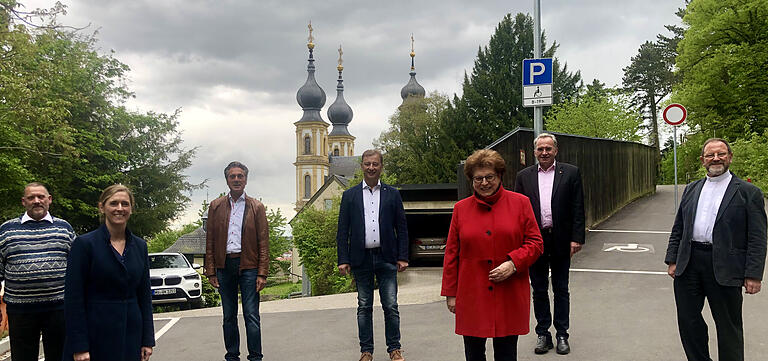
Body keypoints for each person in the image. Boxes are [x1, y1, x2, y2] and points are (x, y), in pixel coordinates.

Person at [665, 138, 767, 361]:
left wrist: (753, 274)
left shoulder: (748, 192)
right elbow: (679, 227)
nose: (716, 159)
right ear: (703, 160)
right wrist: (672, 259)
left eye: (721, 154)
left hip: (726, 266)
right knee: (688, 321)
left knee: (728, 326)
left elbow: (758, 237)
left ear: (730, 157)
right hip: (689, 263)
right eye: (710, 155)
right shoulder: (692, 189)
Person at [441, 149, 543, 361]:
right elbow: (452, 252)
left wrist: (513, 263)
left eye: (490, 177)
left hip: (509, 291)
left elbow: (535, 243)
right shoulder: (460, 209)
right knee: (473, 353)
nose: (485, 183)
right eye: (478, 178)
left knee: (506, 353)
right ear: (471, 179)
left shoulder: (521, 203)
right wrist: (451, 293)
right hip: (472, 294)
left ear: (500, 176)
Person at [63, 184, 154, 361]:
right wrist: (79, 345)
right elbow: (73, 299)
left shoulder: (140, 246)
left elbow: (144, 295)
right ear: (102, 207)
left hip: (131, 335)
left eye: (125, 204)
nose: (120, 208)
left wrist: (147, 339)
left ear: (131, 209)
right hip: (95, 336)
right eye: (114, 203)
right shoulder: (84, 245)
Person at [514, 133, 585, 355]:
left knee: (561, 289)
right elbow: (517, 213)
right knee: (539, 289)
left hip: (561, 239)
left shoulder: (571, 172)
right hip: (535, 241)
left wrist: (577, 238)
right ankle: (543, 334)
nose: (544, 152)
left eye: (548, 148)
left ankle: (562, 334)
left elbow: (578, 207)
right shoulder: (523, 177)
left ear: (556, 150)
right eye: (540, 149)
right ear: (534, 152)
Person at [336, 149, 409, 361]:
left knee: (391, 306)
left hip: (387, 257)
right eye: (367, 164)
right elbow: (343, 231)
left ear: (381, 167)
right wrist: (343, 259)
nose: (371, 167)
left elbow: (402, 228)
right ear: (362, 166)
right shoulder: (349, 196)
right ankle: (366, 351)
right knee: (364, 306)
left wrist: (402, 256)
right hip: (361, 259)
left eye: (375, 164)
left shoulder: (392, 194)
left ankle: (394, 349)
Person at [0, 183, 75, 361]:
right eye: (31, 197)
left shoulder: (64, 228)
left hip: (59, 309)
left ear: (49, 200)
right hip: (20, 311)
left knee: (61, 357)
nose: (36, 201)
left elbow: (77, 269)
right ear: (23, 202)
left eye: (41, 197)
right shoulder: (6, 231)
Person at [205, 161, 270, 361]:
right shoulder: (215, 206)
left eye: (240, 176)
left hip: (249, 266)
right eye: (232, 176)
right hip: (224, 266)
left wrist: (262, 272)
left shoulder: (256, 207)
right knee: (228, 316)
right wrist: (211, 270)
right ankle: (232, 356)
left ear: (246, 179)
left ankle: (255, 357)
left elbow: (263, 242)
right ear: (227, 180)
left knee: (251, 315)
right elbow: (210, 241)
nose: (236, 179)